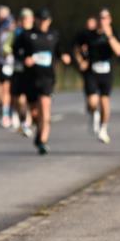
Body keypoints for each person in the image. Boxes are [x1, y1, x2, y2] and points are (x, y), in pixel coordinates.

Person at [14, 9, 72, 155]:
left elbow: (60, 50)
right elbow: (16, 51)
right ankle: (38, 131)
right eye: (40, 19)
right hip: (30, 79)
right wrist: (24, 59)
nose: (43, 22)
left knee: (45, 111)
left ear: (49, 21)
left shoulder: (54, 35)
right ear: (36, 20)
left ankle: (42, 141)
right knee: (34, 113)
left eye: (45, 20)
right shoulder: (26, 35)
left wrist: (65, 57)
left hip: (47, 78)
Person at [74, 9, 120, 144]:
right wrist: (80, 61)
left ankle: (103, 128)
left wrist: (110, 36)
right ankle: (94, 114)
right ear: (98, 20)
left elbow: (119, 51)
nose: (103, 21)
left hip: (106, 71)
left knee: (105, 102)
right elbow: (77, 48)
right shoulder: (88, 35)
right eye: (101, 18)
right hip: (92, 71)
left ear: (110, 20)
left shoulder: (114, 34)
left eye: (106, 18)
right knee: (92, 102)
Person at [10, 8, 35, 138]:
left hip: (34, 72)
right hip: (19, 69)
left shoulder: (36, 33)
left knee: (31, 99)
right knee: (19, 99)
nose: (25, 21)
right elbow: (8, 47)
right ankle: (23, 121)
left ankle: (28, 121)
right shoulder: (16, 33)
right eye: (23, 18)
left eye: (28, 18)